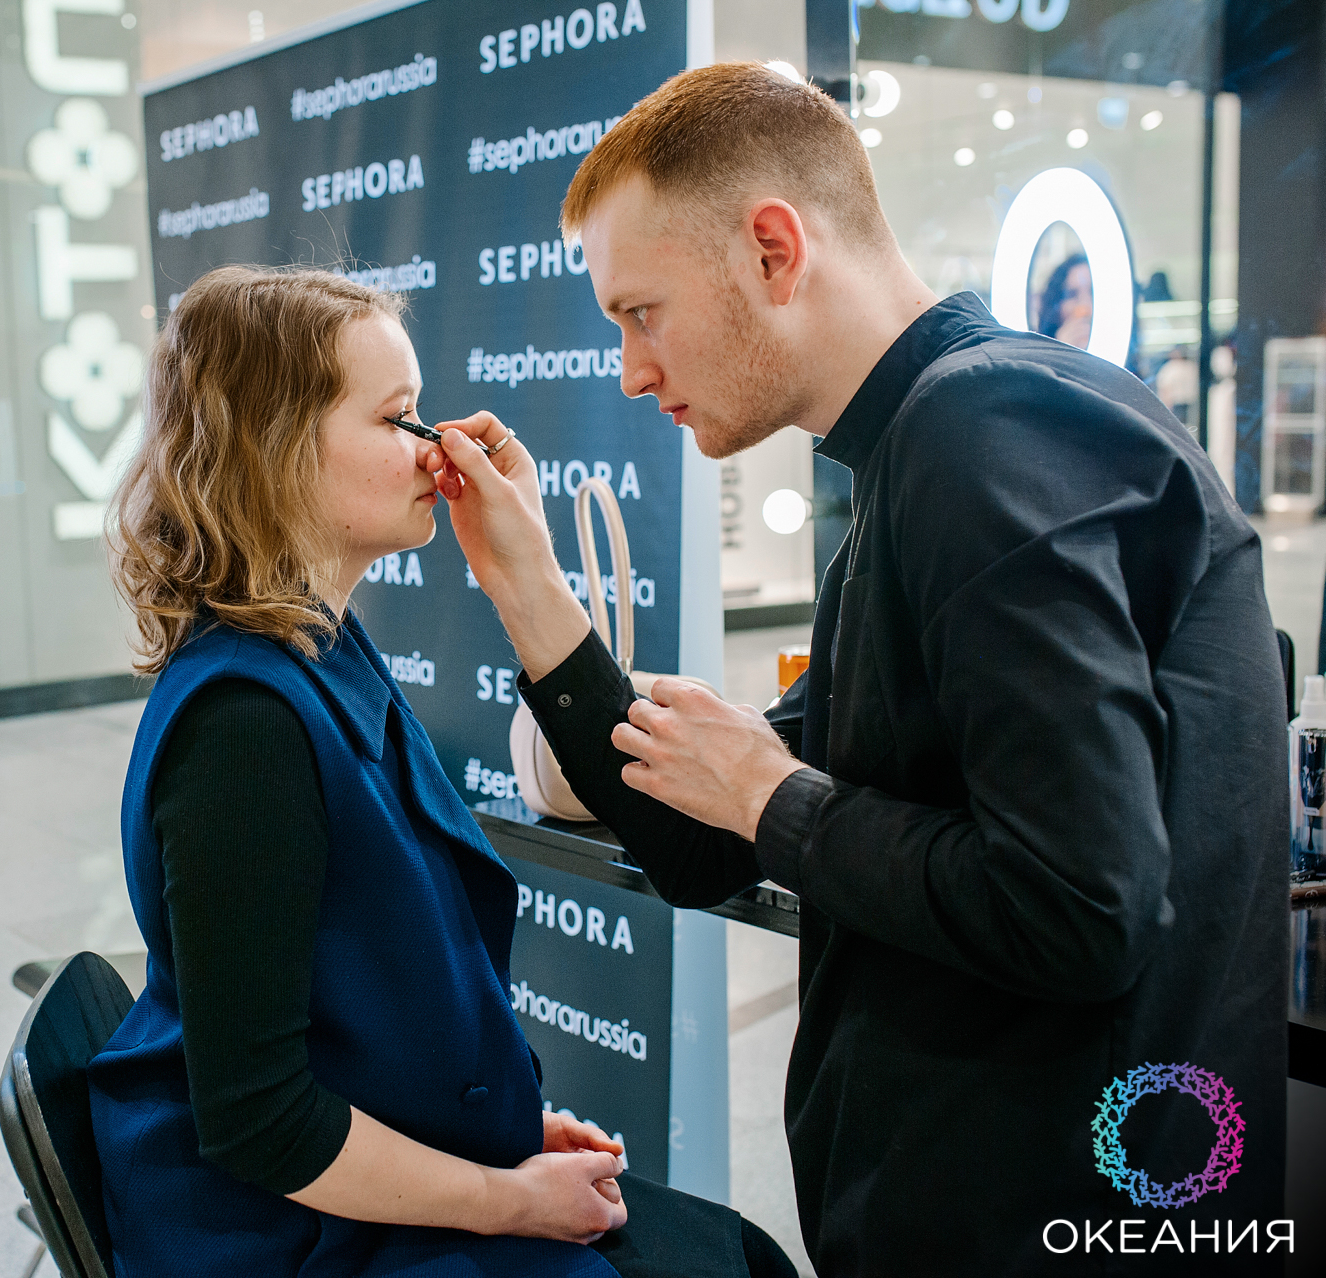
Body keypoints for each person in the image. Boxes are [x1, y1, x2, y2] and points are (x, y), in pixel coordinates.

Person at [430, 64, 1289, 1275]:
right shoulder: (921, 460)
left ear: (774, 252)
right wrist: (526, 584)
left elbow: (1081, 908)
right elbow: (699, 843)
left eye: (642, 313)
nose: (630, 370)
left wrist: (771, 795)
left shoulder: (984, 434)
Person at [89, 265, 797, 1278]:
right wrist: (504, 1198)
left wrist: (497, 1133)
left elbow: (352, 1005)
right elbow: (261, 1121)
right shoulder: (245, 728)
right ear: (274, 451)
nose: (436, 447)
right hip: (286, 1239)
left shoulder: (322, 653)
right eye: (397, 419)